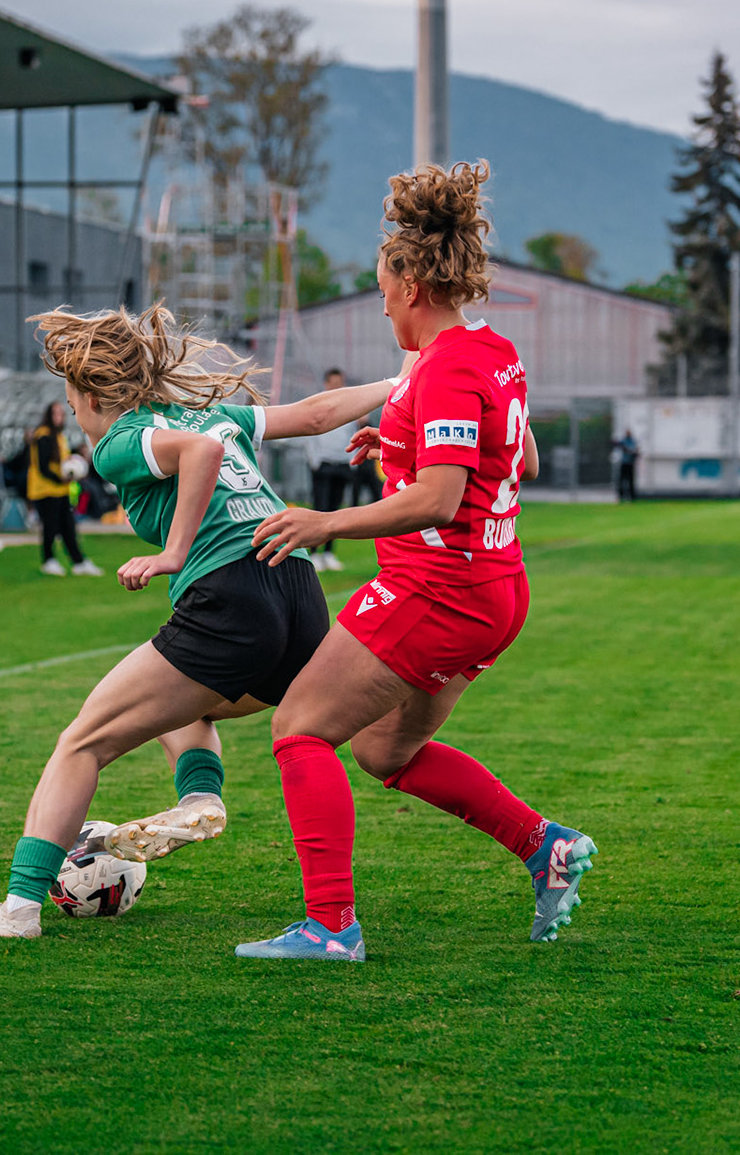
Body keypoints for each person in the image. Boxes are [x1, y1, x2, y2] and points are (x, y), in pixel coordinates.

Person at [0, 303, 413, 940]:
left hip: (233, 597)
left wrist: (173, 552)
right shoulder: (208, 412)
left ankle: (19, 908)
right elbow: (317, 413)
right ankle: (198, 799)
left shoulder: (119, 442)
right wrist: (403, 382)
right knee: (192, 706)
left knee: (83, 741)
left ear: (88, 392)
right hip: (298, 590)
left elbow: (198, 455)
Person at [237, 161, 593, 962]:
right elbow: (520, 457)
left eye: (383, 290)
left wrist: (325, 520)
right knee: (382, 751)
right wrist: (395, 440)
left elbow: (436, 500)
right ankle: (548, 848)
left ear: (409, 282)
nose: (384, 305)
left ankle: (330, 929)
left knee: (299, 730)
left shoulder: (446, 365)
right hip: (496, 590)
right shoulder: (493, 351)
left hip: (438, 589)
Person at [29, 401, 99, 577]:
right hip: (45, 490)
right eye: (56, 413)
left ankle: (78, 561)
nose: (59, 417)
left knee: (68, 526)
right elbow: (43, 467)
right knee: (50, 527)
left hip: (60, 490)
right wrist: (61, 478)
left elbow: (63, 461)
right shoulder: (43, 435)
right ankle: (48, 560)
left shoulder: (59, 436)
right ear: (49, 415)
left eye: (61, 413)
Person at [301, 367, 358, 571]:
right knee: (319, 507)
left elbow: (353, 433)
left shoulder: (348, 406)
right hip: (323, 464)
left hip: (342, 464)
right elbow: (310, 434)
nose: (337, 386)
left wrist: (350, 459)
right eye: (333, 383)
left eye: (339, 382)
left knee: (335, 509)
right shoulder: (318, 404)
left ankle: (328, 553)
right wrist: (315, 461)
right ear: (326, 384)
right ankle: (315, 553)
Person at [615, 429, 640, 502]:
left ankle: (632, 497)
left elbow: (633, 451)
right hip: (624, 463)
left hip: (630, 463)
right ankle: (621, 496)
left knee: (631, 481)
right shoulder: (623, 441)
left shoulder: (632, 441)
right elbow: (617, 445)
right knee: (621, 481)